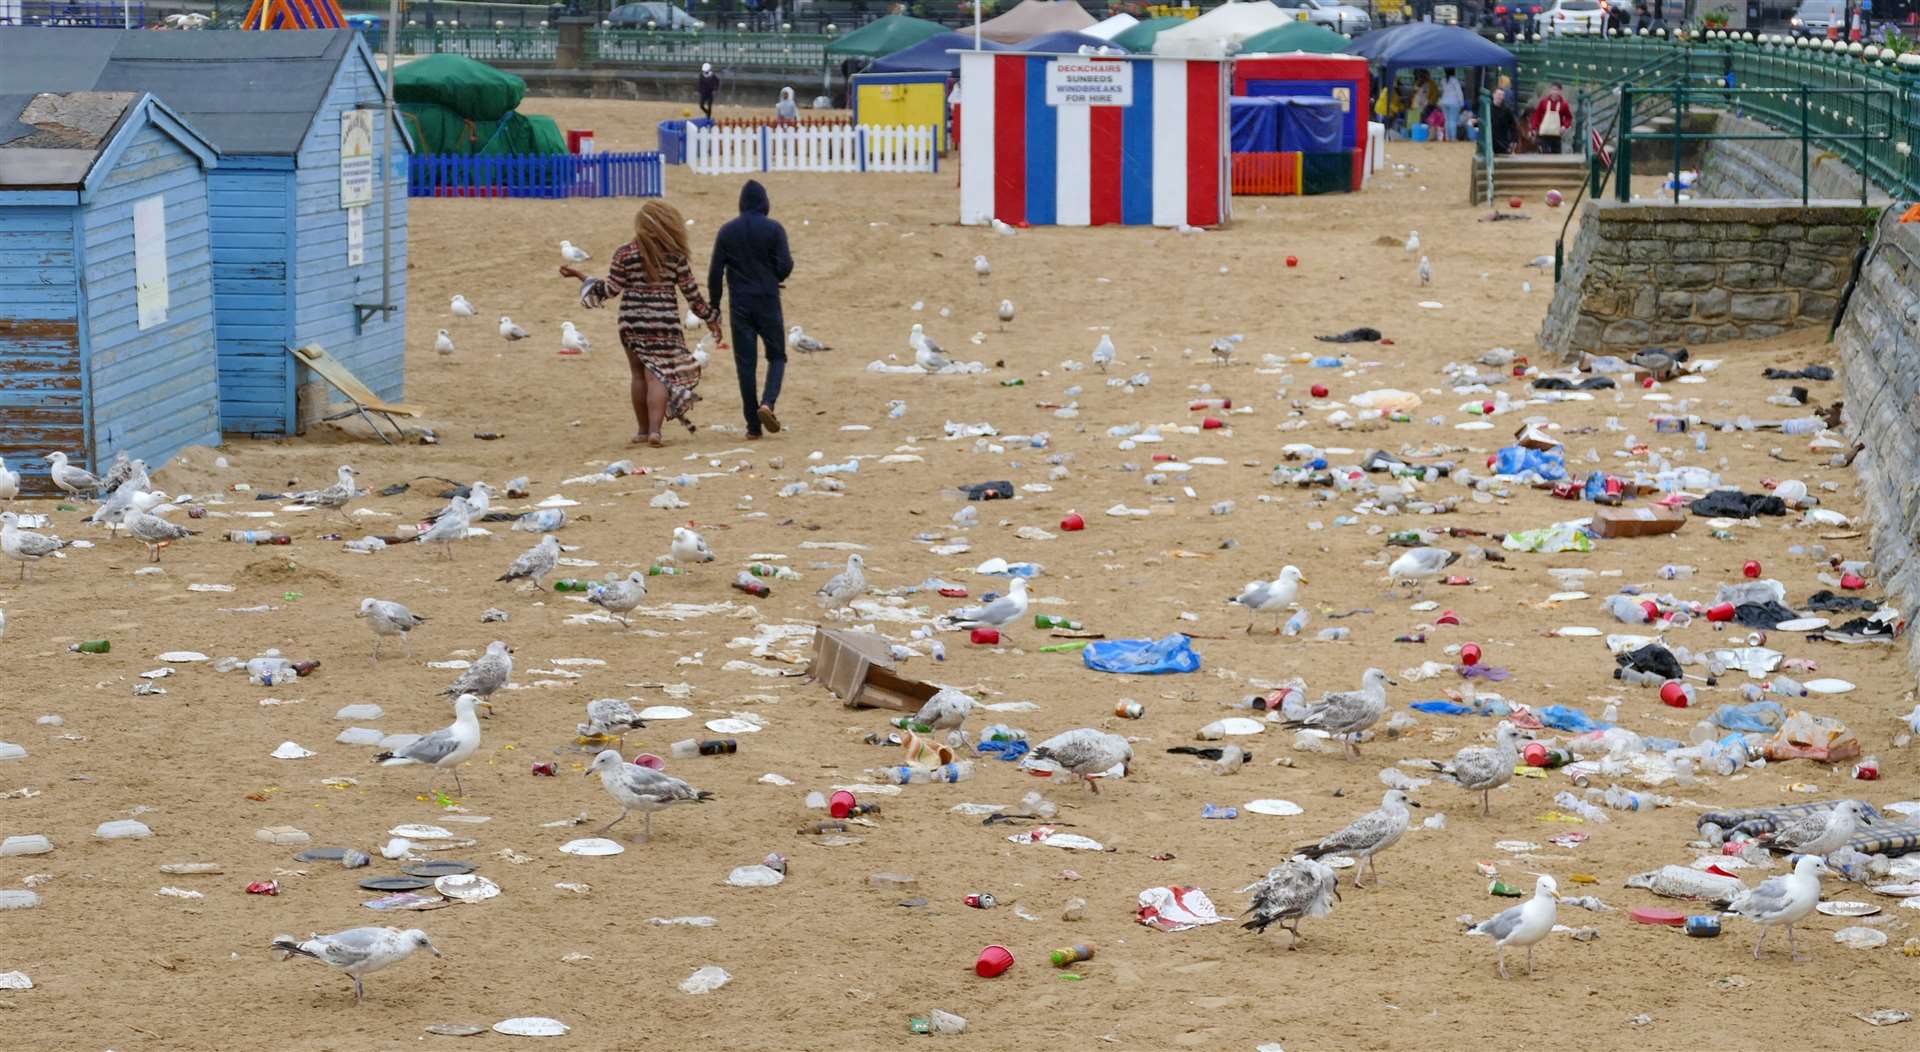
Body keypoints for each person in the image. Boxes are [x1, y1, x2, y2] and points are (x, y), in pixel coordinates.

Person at [562, 201, 717, 448]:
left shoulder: (625, 253)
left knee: (638, 375)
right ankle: (656, 431)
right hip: (664, 322)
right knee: (657, 376)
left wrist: (582, 278)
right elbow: (692, 294)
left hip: (631, 322)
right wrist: (711, 319)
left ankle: (643, 430)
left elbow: (610, 289)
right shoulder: (675, 257)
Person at [708, 179, 794, 440]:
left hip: (740, 304)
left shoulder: (727, 231)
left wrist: (714, 305)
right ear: (765, 203)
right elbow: (786, 265)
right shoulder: (774, 229)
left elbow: (715, 273)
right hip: (768, 299)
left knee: (745, 365)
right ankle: (768, 403)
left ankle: (753, 426)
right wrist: (773, 275)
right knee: (777, 356)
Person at [1530, 83, 1573, 155]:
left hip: (1557, 134)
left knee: (1556, 155)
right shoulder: (1544, 102)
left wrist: (1564, 126)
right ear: (1550, 90)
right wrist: (1534, 128)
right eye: (1553, 89)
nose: (1555, 92)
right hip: (1544, 134)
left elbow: (1569, 117)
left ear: (1560, 92)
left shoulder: (1564, 104)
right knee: (1545, 154)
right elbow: (1536, 115)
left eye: (1557, 90)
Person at [1490, 87, 1519, 154]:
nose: (1500, 97)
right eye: (1498, 95)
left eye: (1502, 95)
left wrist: (1514, 140)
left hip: (1502, 143)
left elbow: (1513, 126)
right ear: (1493, 95)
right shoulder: (1488, 108)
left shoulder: (1506, 110)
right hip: (1489, 142)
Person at [1439, 68, 1464, 142]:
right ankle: (1453, 138)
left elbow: (1441, 91)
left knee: (1447, 120)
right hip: (1454, 102)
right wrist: (1461, 102)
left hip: (1444, 102)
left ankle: (1447, 137)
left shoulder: (1443, 80)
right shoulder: (1455, 80)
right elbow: (1459, 92)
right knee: (1453, 120)